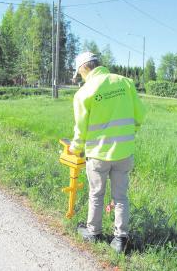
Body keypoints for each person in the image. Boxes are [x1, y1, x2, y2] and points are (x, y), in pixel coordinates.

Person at [69, 52, 145, 253]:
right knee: (121, 197)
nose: (81, 77)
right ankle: (121, 239)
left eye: (79, 73)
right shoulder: (125, 83)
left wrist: (75, 148)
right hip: (124, 153)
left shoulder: (84, 92)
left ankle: (94, 233)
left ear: (84, 68)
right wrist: (129, 133)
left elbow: (81, 129)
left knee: (96, 194)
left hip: (98, 154)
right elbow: (140, 115)